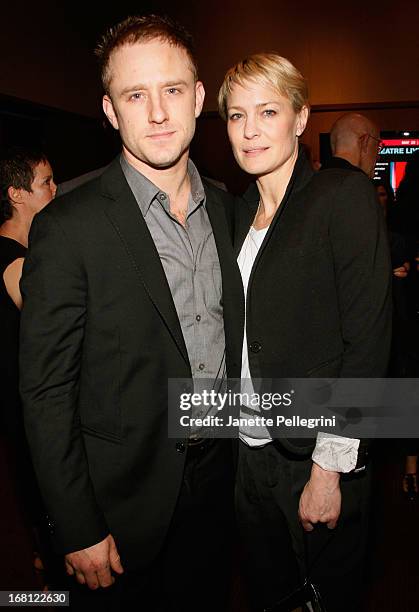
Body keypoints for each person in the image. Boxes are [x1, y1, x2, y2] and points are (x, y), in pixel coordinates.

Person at [19, 15, 243, 612]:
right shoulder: (67, 225)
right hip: (118, 505)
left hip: (220, 481)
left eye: (172, 90)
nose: (158, 113)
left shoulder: (228, 209)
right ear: (110, 111)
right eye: (135, 96)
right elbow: (45, 391)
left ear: (198, 98)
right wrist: (76, 525)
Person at [218, 53, 392, 611]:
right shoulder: (234, 210)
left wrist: (328, 467)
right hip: (248, 451)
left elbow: (367, 339)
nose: (249, 130)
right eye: (236, 115)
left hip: (315, 454)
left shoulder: (341, 198)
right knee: (274, 596)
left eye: (267, 111)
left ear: (300, 118)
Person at [0, 146, 56, 583]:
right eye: (46, 183)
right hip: (22, 408)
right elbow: (52, 332)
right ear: (17, 194)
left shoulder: (24, 250)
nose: (55, 189)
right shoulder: (14, 261)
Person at [323, 112, 382, 177]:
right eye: (377, 145)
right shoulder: (359, 183)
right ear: (365, 142)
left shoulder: (313, 180)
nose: (378, 157)